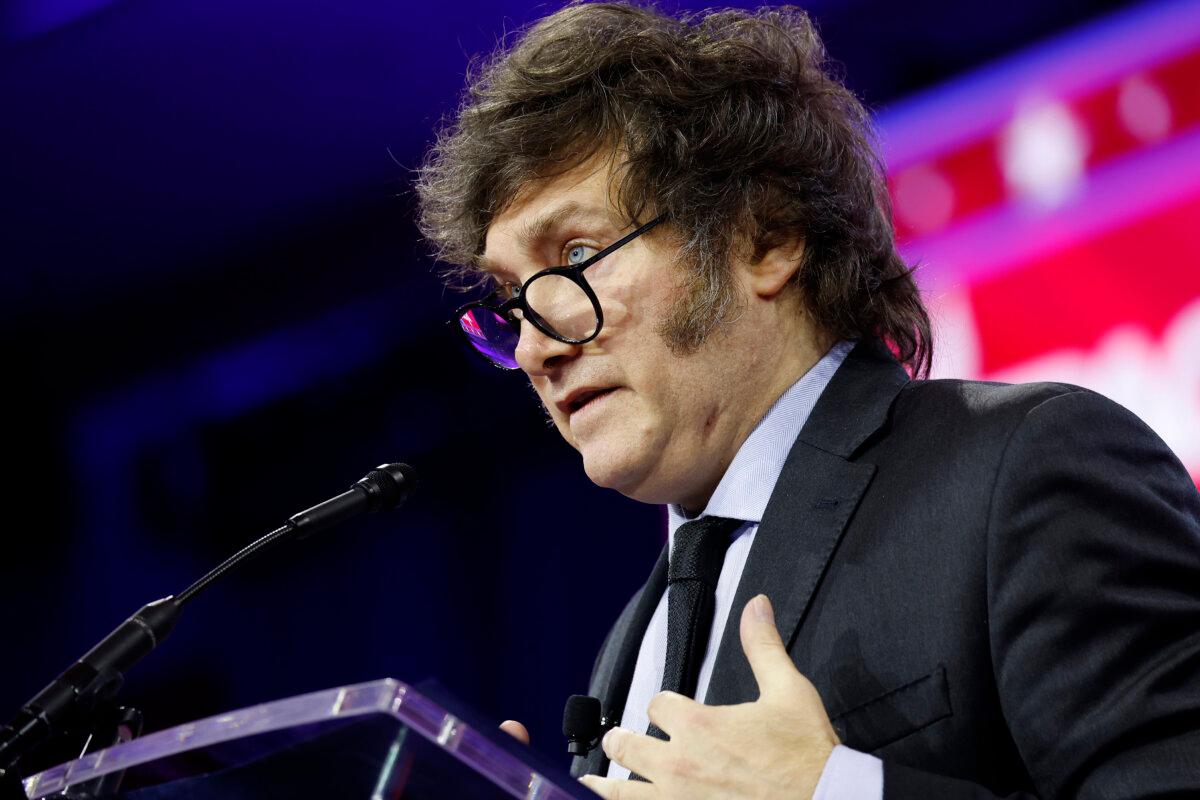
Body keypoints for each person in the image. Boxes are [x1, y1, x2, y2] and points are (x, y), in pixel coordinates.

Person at [415, 3, 1200, 797]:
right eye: (512, 297)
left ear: (765, 239)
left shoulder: (1025, 470)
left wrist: (834, 791)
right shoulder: (633, 638)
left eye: (577, 255)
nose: (533, 345)